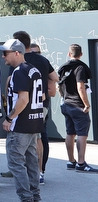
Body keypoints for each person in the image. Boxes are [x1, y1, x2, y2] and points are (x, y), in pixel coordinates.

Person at [1, 39, 44, 202]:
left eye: (6, 53)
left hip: (21, 125)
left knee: (16, 163)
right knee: (31, 163)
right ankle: (34, 200)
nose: (3, 56)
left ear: (17, 53)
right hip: (34, 122)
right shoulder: (33, 70)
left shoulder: (19, 72)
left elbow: (24, 99)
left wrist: (9, 118)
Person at [12, 30, 57, 184]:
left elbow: (12, 83)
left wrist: (9, 115)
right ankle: (39, 172)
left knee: (26, 138)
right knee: (37, 137)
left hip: (25, 103)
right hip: (40, 103)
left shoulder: (19, 62)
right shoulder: (42, 60)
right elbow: (55, 77)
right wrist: (46, 88)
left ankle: (33, 174)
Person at [58, 44, 95, 172]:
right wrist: (86, 104)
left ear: (69, 54)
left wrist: (63, 97)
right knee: (82, 134)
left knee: (70, 133)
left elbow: (58, 85)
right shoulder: (80, 68)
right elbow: (81, 87)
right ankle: (81, 163)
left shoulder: (64, 68)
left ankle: (71, 161)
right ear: (81, 54)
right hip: (77, 106)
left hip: (66, 104)